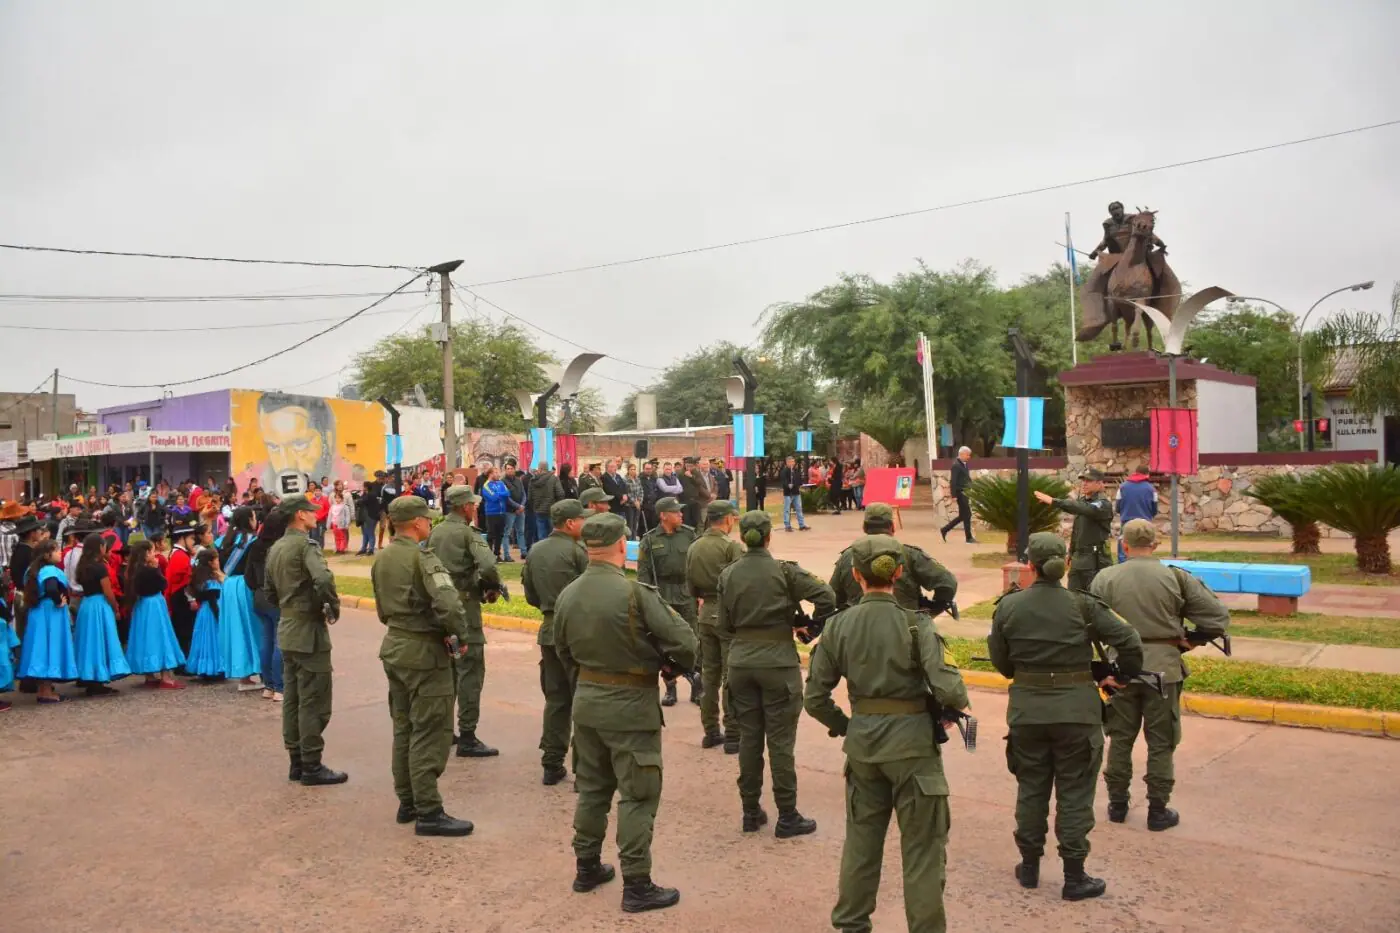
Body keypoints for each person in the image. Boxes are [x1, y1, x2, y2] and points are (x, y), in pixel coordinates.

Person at [804, 534, 970, 933]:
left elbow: (815, 699)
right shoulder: (917, 624)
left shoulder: (838, 626)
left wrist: (848, 727)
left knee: (861, 844)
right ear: (898, 573)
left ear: (855, 576)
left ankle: (852, 924)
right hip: (914, 749)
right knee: (923, 851)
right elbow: (952, 691)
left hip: (863, 747)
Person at [554, 510, 698, 913]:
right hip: (631, 707)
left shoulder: (568, 595)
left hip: (587, 703)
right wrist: (668, 666)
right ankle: (637, 884)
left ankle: (586, 867)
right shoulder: (636, 594)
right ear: (622, 545)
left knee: (592, 789)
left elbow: (563, 652)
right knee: (637, 795)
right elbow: (686, 642)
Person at [987, 532, 1144, 900]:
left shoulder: (1008, 607)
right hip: (1077, 714)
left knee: (1031, 789)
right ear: (1067, 564)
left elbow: (1003, 664)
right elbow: (1129, 640)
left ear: (1030, 565)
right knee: (1074, 793)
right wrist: (1121, 675)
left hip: (1027, 713)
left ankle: (1029, 867)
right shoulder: (1084, 605)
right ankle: (1074, 877)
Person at [1091, 519, 1230, 830]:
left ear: (1124, 546)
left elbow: (1089, 625)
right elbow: (1217, 617)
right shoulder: (1176, 577)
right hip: (1164, 670)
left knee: (1120, 738)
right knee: (1161, 742)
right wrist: (1192, 639)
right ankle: (1157, 810)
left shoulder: (1105, 578)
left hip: (1120, 670)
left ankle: (1117, 804)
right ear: (1155, 545)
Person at [717, 510, 835, 835]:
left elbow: (724, 626)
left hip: (740, 663)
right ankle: (787, 815)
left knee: (749, 739)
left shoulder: (728, 575)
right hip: (778, 663)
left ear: (743, 538)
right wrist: (808, 625)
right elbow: (827, 596)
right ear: (769, 537)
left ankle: (750, 812)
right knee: (780, 742)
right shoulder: (785, 572)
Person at [372, 495, 477, 836]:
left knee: (404, 728)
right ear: (416, 522)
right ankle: (429, 811)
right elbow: (449, 603)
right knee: (430, 730)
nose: (430, 523)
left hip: (395, 646)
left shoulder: (382, 557)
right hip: (424, 653)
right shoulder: (423, 557)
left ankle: (408, 801)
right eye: (427, 519)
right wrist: (459, 635)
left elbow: (382, 606)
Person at [263, 494, 346, 787]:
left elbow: (268, 590)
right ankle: (312, 764)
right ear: (299, 514)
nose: (314, 515)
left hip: (287, 627)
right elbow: (323, 579)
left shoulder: (276, 548)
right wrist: (332, 606)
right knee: (314, 699)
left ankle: (296, 761)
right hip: (308, 630)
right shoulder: (305, 546)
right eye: (310, 511)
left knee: (293, 698)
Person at [427, 484, 503, 758]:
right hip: (465, 609)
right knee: (470, 672)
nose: (476, 507)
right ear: (465, 507)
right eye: (473, 504)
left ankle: (445, 730)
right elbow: (488, 565)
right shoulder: (468, 534)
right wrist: (491, 586)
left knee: (448, 672)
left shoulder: (436, 532)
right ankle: (468, 735)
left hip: (440, 609)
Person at [521, 498, 589, 785]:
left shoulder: (535, 550)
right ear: (570, 523)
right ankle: (584, 769)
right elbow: (591, 591)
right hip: (578, 632)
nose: (585, 523)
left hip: (549, 630)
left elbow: (530, 595)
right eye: (582, 519)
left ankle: (551, 762)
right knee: (584, 700)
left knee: (556, 700)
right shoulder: (578, 552)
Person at [684, 499, 744, 750]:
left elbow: (690, 587)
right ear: (727, 519)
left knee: (709, 675)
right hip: (727, 614)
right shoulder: (731, 546)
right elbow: (739, 584)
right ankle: (732, 733)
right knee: (731, 675)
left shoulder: (694, 546)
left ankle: (710, 731)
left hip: (705, 612)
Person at [830, 503, 959, 612]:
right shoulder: (909, 554)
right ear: (892, 526)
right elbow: (947, 583)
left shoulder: (847, 556)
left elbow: (832, 598)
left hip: (859, 628)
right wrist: (931, 610)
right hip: (906, 627)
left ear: (864, 527)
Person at [636, 496, 699, 708]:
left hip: (686, 592)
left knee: (692, 640)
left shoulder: (689, 535)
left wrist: (699, 592)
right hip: (662, 594)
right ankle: (670, 686)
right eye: (676, 511)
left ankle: (696, 684)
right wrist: (648, 599)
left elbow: (697, 564)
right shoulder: (649, 540)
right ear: (663, 516)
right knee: (664, 644)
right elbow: (643, 573)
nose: (681, 514)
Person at [1035, 468, 1115, 593]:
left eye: (1089, 481)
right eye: (1083, 480)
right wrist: (1071, 552)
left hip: (1095, 562)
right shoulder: (1082, 502)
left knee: (1094, 597)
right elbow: (1077, 530)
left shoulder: (1103, 504)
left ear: (1100, 483)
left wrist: (1054, 501)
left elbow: (1084, 508)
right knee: (1073, 596)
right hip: (1079, 560)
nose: (1084, 484)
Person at [17, 540, 78, 702]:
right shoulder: (50, 570)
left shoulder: (32, 570)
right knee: (51, 647)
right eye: (56, 550)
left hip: (37, 612)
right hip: (50, 613)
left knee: (40, 648)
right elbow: (51, 588)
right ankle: (46, 692)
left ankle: (42, 689)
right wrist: (58, 601)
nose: (60, 553)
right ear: (46, 554)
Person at [123, 539, 185, 689]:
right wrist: (157, 569)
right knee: (160, 636)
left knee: (145, 636)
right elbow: (163, 584)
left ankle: (149, 676)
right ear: (146, 554)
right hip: (154, 604)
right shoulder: (150, 570)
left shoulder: (133, 571)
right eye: (151, 551)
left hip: (141, 605)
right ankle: (166, 677)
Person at [72, 533, 130, 695]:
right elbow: (107, 591)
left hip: (87, 605)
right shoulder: (100, 567)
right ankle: (98, 679)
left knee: (89, 642)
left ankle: (88, 676)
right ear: (99, 548)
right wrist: (115, 607)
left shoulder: (83, 566)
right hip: (99, 605)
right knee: (101, 640)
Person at [217, 507, 263, 691]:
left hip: (228, 585)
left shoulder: (223, 540)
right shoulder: (252, 541)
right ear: (248, 520)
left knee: (236, 628)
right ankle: (256, 672)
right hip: (244, 585)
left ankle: (243, 675)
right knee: (252, 627)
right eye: (254, 517)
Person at [243, 509, 287, 701]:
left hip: (259, 595)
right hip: (275, 595)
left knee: (266, 640)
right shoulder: (279, 547)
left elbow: (248, 576)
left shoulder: (255, 545)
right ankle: (279, 686)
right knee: (279, 642)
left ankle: (268, 685)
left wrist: (257, 589)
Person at [183, 548, 225, 681]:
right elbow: (213, 600)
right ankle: (215, 668)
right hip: (212, 611)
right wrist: (219, 616)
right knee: (213, 639)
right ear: (211, 562)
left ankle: (204, 667)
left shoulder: (201, 579)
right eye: (216, 559)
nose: (218, 562)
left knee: (203, 639)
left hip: (204, 612)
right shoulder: (211, 581)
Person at [166, 518, 198, 655]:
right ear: (182, 538)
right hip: (181, 598)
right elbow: (184, 582)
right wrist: (191, 599)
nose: (193, 542)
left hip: (178, 597)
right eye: (191, 539)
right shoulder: (180, 556)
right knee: (184, 632)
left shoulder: (178, 554)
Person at [1114, 470, 1158, 563]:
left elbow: (1117, 507)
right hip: (1145, 523)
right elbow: (1154, 508)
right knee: (1144, 546)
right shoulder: (1151, 489)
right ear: (1147, 474)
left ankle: (1123, 565)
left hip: (1127, 521)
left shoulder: (1122, 487)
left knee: (1124, 545)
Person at [940, 446, 977, 543]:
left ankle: (945, 529)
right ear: (962, 454)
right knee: (967, 515)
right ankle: (968, 538)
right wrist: (954, 496)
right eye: (967, 455)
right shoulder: (956, 465)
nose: (969, 457)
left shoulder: (964, 464)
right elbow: (953, 481)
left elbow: (966, 478)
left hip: (965, 492)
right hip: (960, 493)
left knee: (962, 516)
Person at [529, 464, 567, 543]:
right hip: (552, 510)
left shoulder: (533, 480)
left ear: (540, 469)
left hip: (538, 510)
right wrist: (557, 506)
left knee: (541, 536)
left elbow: (530, 497)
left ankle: (543, 549)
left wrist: (535, 507)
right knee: (553, 535)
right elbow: (560, 494)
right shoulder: (554, 479)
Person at [500, 460, 528, 561]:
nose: (510, 470)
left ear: (514, 469)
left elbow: (524, 494)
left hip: (520, 510)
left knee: (521, 532)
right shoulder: (502, 482)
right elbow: (507, 498)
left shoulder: (518, 480)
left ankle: (524, 552)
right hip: (509, 511)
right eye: (508, 469)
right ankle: (507, 555)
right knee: (506, 533)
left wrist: (522, 505)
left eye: (511, 468)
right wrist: (518, 506)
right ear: (505, 470)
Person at [778, 455, 808, 532]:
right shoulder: (784, 471)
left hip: (796, 492)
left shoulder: (795, 470)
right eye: (791, 462)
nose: (792, 463)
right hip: (788, 493)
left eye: (793, 461)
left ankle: (802, 525)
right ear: (787, 462)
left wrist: (799, 484)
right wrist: (788, 485)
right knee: (787, 510)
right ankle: (787, 526)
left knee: (799, 509)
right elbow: (784, 481)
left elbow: (799, 480)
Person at [358, 471, 385, 555]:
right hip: (366, 516)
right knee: (365, 533)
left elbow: (361, 502)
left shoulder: (370, 495)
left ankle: (371, 549)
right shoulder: (367, 494)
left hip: (371, 516)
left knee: (370, 533)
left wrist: (358, 500)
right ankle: (364, 548)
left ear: (366, 487)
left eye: (364, 487)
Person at [328, 489, 352, 555]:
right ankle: (338, 548)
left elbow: (347, 516)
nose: (337, 499)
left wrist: (347, 524)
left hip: (341, 524)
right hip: (334, 523)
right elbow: (330, 515)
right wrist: (329, 524)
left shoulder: (345, 506)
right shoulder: (333, 506)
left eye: (339, 498)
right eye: (336, 498)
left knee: (342, 537)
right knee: (336, 537)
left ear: (342, 499)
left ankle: (342, 549)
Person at [624, 463, 644, 539]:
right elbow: (627, 492)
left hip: (638, 505)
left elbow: (641, 491)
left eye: (634, 469)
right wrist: (634, 502)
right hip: (629, 505)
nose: (633, 471)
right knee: (630, 525)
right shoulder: (625, 480)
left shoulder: (637, 479)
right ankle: (629, 541)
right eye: (631, 469)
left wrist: (639, 501)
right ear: (628, 470)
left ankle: (634, 540)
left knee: (635, 525)